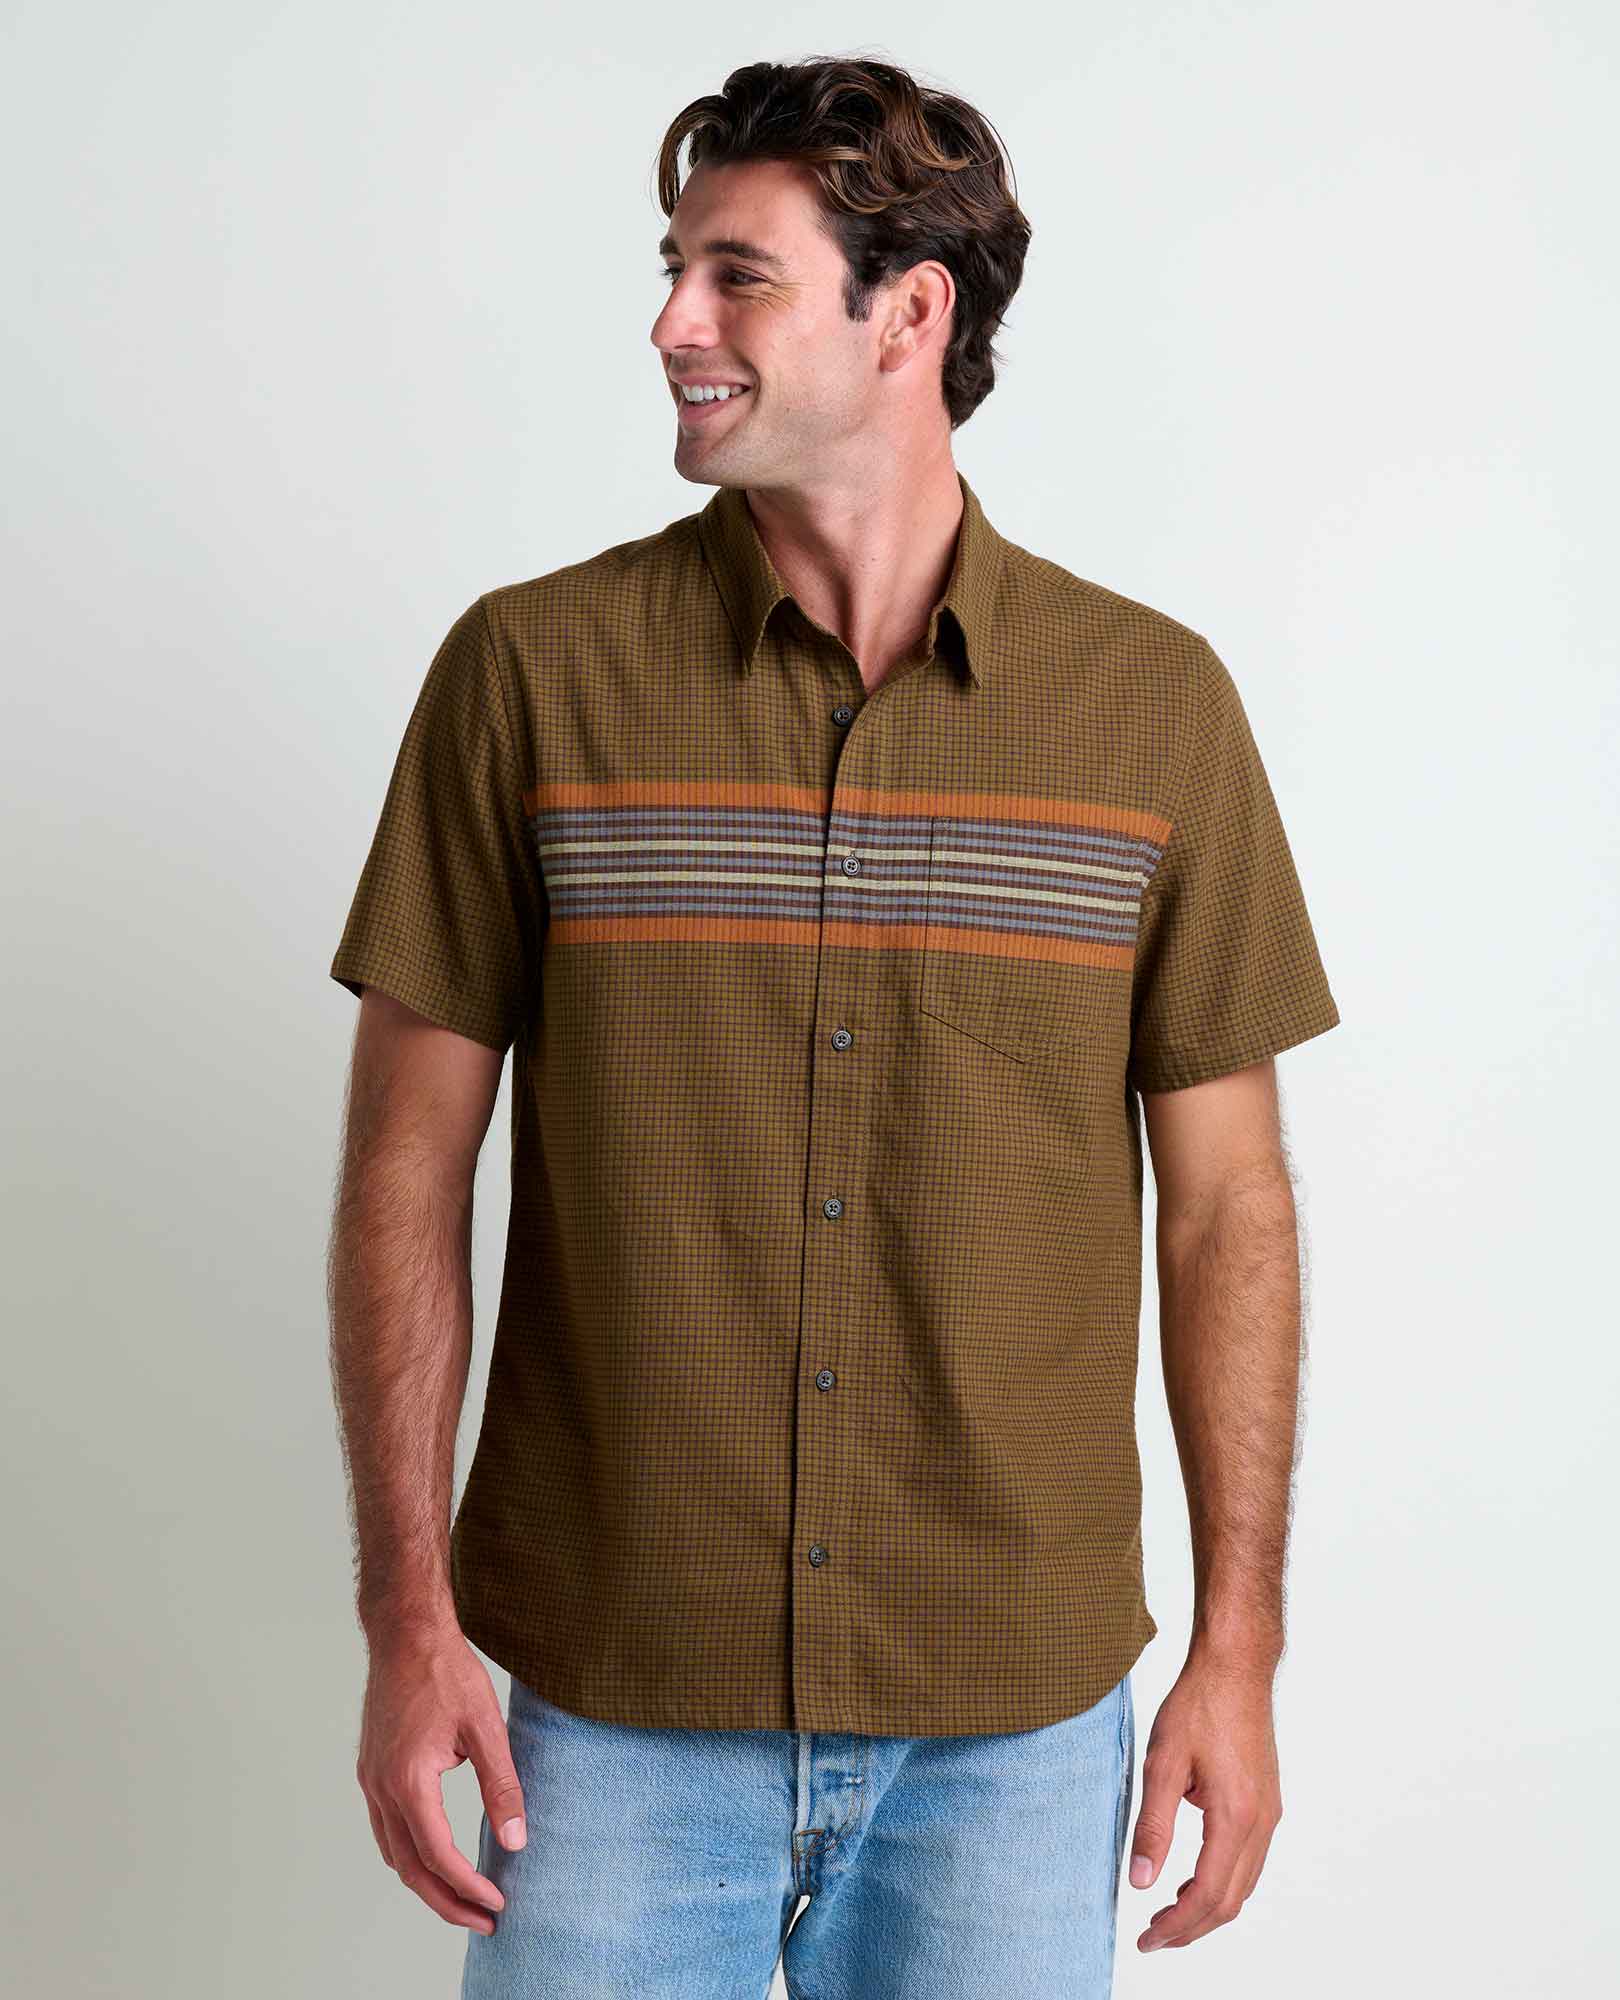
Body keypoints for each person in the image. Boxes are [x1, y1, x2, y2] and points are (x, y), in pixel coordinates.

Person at [326, 54, 1341, 2000]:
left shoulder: (1154, 711)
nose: (671, 324)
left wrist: (1241, 1646)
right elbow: (403, 1172)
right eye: (673, 269)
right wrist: (405, 1622)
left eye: (738, 276)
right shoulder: (529, 677)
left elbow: (1232, 1212)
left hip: (1015, 1737)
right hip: (609, 1715)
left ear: (909, 314)